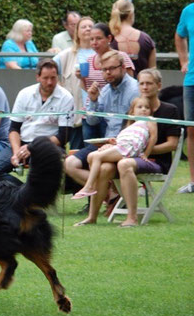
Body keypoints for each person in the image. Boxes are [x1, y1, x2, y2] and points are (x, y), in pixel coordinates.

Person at [73, 68, 180, 227]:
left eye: (149, 83)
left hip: (154, 160)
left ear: (159, 86)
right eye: (141, 83)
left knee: (124, 164)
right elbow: (126, 137)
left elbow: (172, 144)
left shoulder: (169, 110)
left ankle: (132, 218)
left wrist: (142, 152)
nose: (144, 87)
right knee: (104, 167)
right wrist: (108, 146)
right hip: (128, 153)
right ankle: (92, 217)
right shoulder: (134, 108)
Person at [0, 59, 74, 185]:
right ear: (37, 77)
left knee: (37, 165)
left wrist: (33, 147)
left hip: (50, 146)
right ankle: (21, 193)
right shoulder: (24, 94)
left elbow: (64, 136)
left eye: (53, 78)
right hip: (21, 143)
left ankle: (30, 196)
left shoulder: (66, 97)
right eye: (45, 78)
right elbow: (14, 128)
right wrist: (16, 152)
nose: (50, 82)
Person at [65, 50, 140, 194]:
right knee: (69, 163)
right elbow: (92, 122)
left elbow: (138, 125)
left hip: (126, 144)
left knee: (103, 167)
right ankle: (110, 193)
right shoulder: (105, 91)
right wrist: (93, 100)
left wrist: (117, 141)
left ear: (123, 67)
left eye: (112, 68)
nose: (108, 73)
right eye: (104, 70)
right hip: (106, 143)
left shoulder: (134, 89)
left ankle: (105, 192)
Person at [72, 96, 157, 199]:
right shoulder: (130, 126)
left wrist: (146, 154)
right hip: (121, 145)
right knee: (91, 156)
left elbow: (153, 137)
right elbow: (124, 138)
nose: (143, 109)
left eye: (147, 107)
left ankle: (89, 186)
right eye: (140, 107)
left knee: (97, 157)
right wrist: (112, 142)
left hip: (129, 147)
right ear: (133, 112)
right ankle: (97, 186)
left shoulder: (150, 120)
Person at [79, 23, 135, 140]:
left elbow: (129, 84)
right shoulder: (89, 60)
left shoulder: (121, 57)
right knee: (90, 148)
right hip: (93, 110)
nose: (94, 42)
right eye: (92, 39)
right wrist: (81, 79)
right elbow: (86, 87)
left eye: (98, 38)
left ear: (109, 38)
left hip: (113, 113)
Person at [53, 16, 95, 149]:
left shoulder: (102, 54)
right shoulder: (66, 54)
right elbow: (47, 68)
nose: (88, 29)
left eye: (91, 26)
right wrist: (58, 87)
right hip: (75, 113)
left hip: (95, 112)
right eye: (84, 26)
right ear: (77, 32)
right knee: (76, 150)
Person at [175, 0, 194, 194]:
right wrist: (183, 60)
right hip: (191, 80)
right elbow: (179, 36)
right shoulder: (188, 11)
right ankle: (193, 181)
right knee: (192, 130)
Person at [109, 0, 156, 76]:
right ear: (131, 14)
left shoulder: (110, 39)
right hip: (143, 86)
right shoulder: (146, 39)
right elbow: (153, 70)